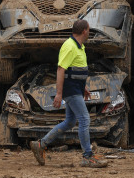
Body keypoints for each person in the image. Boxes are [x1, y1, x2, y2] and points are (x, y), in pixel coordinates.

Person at [30, 19, 108, 168]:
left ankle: (41, 144)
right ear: (84, 31)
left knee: (70, 122)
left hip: (76, 89)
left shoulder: (80, 47)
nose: (89, 32)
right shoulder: (70, 46)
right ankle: (87, 156)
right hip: (70, 91)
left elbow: (77, 71)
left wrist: (83, 87)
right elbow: (61, 69)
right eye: (89, 29)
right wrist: (59, 94)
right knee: (85, 119)